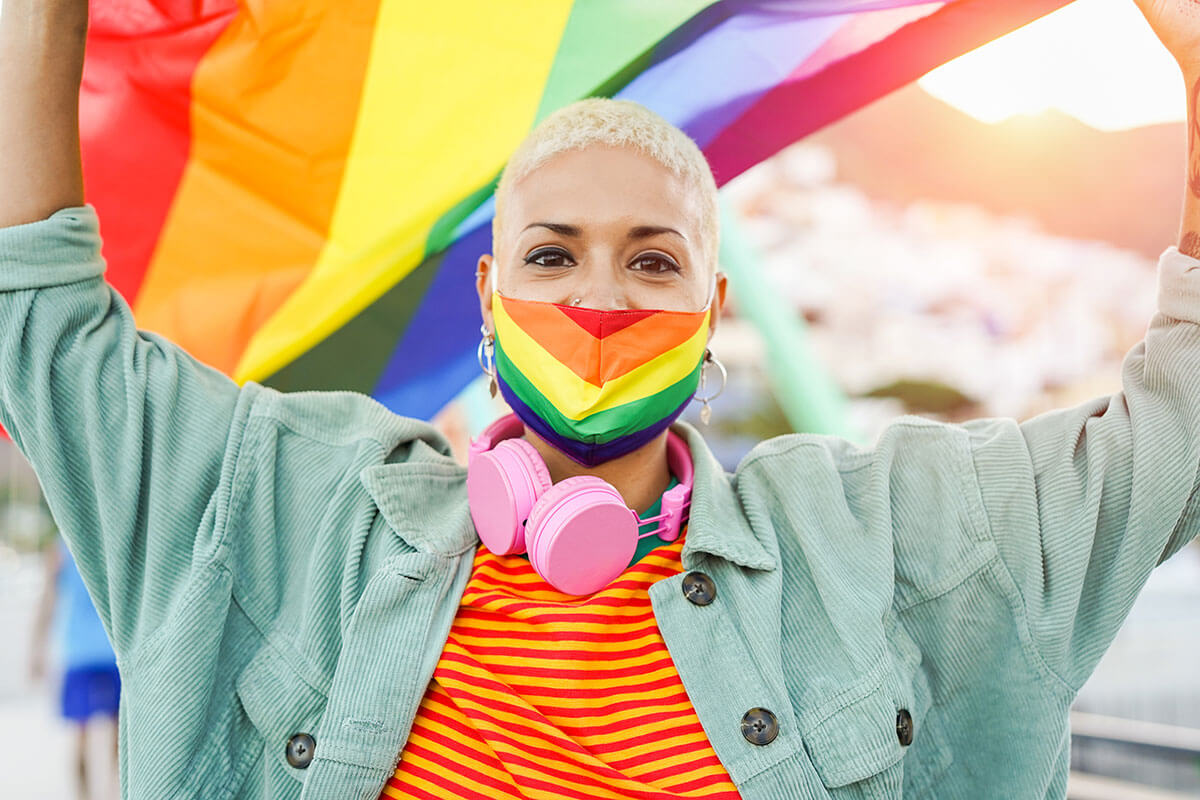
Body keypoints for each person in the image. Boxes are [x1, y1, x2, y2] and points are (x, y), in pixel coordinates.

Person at [2, 0, 1200, 798]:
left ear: (715, 300)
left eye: (654, 259)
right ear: (487, 291)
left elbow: (1175, 436)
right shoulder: (279, 504)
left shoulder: (888, 538)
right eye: (553, 254)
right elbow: (39, 317)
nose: (601, 296)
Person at [30, 537, 121, 800]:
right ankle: (106, 793)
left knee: (86, 737)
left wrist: (36, 647)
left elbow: (47, 602)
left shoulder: (60, 549)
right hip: (103, 653)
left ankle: (92, 795)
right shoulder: (106, 542)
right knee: (114, 735)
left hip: (83, 654)